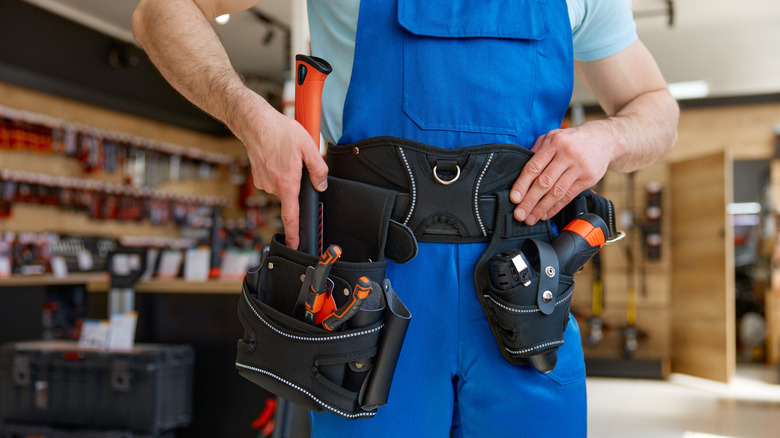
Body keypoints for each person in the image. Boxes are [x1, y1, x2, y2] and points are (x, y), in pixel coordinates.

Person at [133, 0, 679, 436]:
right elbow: (160, 10)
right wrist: (249, 116)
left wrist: (610, 137)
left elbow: (656, 105)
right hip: (367, 303)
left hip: (529, 294)